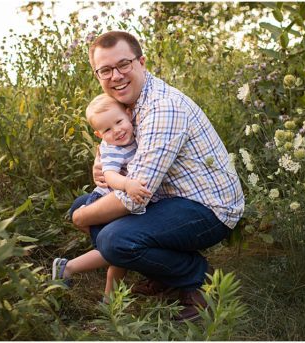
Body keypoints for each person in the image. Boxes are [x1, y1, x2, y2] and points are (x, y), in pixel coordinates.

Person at [70, 31, 244, 321]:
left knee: (113, 239)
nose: (116, 75)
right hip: (168, 198)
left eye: (123, 64)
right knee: (83, 205)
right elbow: (112, 142)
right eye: (105, 70)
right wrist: (99, 162)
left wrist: (81, 220)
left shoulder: (163, 108)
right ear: (97, 74)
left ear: (141, 62)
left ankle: (199, 281)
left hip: (208, 207)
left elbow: (133, 200)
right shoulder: (127, 103)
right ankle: (164, 272)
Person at [52, 93, 151, 297]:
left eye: (119, 122)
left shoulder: (137, 136)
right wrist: (127, 184)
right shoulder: (114, 148)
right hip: (107, 199)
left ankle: (106, 300)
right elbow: (110, 176)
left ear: (129, 114)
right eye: (107, 129)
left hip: (120, 198)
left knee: (118, 255)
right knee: (117, 250)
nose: (117, 131)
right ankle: (74, 273)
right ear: (98, 134)